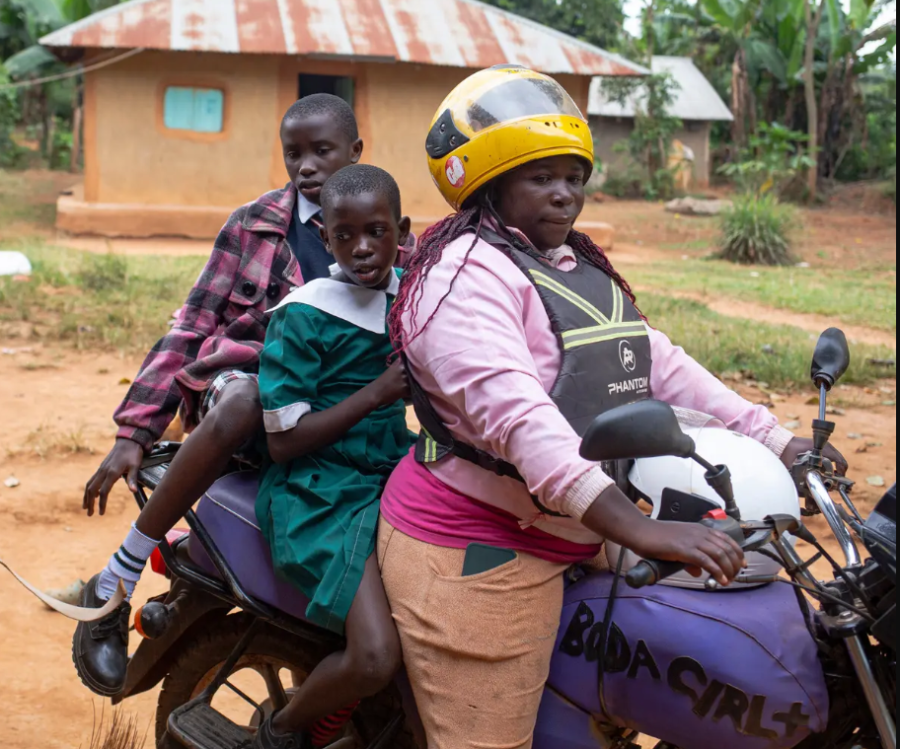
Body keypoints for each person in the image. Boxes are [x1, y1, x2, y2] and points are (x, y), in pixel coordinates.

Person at [376, 65, 848, 749]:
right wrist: (640, 529)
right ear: (486, 183)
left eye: (573, 176)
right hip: (482, 543)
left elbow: (658, 362)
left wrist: (778, 441)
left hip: (585, 524)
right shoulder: (459, 281)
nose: (565, 194)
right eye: (541, 177)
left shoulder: (571, 266)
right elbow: (519, 420)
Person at [74, 94, 379, 697]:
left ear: (355, 152)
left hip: (329, 421)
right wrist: (135, 431)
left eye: (322, 151)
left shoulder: (383, 232)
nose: (307, 166)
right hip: (236, 405)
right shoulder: (255, 223)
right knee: (247, 395)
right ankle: (117, 576)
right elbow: (191, 325)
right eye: (295, 153)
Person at [253, 164, 414, 749]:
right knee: (374, 656)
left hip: (395, 475)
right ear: (325, 240)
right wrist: (376, 393)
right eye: (344, 236)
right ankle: (279, 734)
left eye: (377, 231)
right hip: (317, 494)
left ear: (403, 230)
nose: (362, 248)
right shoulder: (305, 313)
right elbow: (284, 441)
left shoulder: (414, 298)